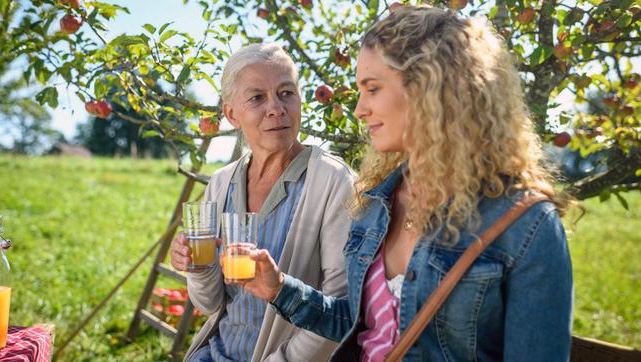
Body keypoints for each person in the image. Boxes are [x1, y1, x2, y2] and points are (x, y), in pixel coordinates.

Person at [238, 6, 574, 361]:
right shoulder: (375, 203)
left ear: (430, 88)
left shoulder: (526, 225)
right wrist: (279, 289)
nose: (359, 109)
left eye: (372, 89)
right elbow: (362, 325)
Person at [169, 43, 355, 362]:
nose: (276, 108)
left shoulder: (332, 180)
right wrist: (196, 268)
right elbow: (210, 304)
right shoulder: (222, 182)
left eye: (286, 93)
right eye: (257, 98)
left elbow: (340, 311)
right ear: (231, 114)